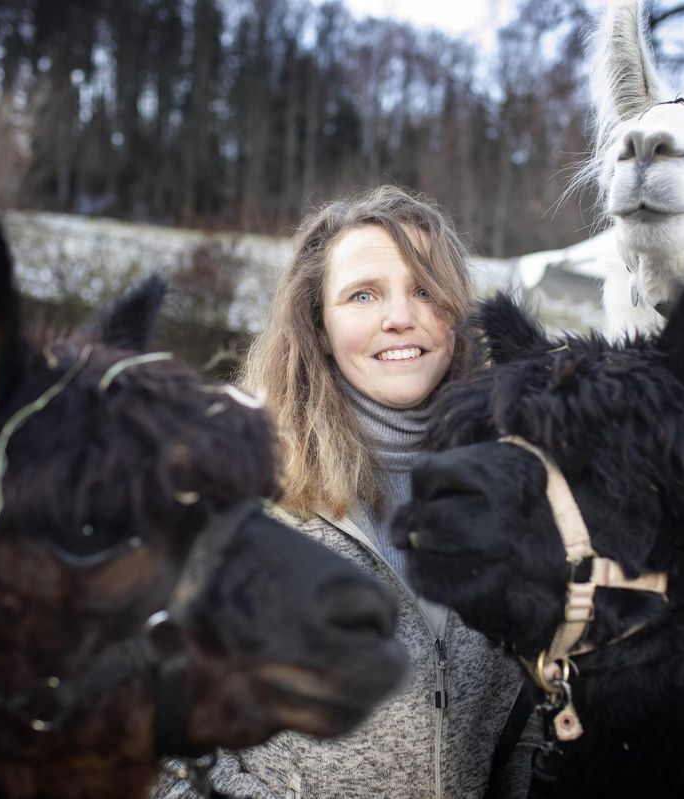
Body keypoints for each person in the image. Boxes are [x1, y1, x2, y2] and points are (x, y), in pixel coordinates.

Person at [155, 185, 528, 798]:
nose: (400, 317)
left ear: (458, 319)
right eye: (363, 295)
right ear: (319, 326)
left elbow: (536, 727)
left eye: (425, 289)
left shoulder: (518, 495)